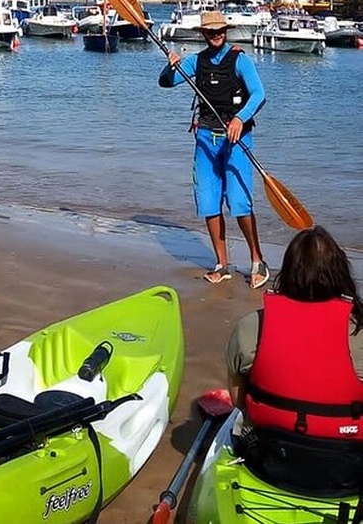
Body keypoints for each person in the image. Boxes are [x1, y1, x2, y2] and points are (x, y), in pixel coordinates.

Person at [226, 226, 363, 494]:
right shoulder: (359, 331)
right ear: (341, 274)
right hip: (349, 466)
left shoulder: (250, 327)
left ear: (287, 273)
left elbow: (238, 401)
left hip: (269, 458)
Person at [158, 11, 269, 289]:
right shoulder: (198, 60)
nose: (216, 34)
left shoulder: (240, 59)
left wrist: (240, 118)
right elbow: (166, 82)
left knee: (239, 202)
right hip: (206, 139)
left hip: (237, 140)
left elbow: (259, 94)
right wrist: (171, 66)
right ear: (203, 34)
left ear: (226, 31)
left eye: (220, 30)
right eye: (210, 31)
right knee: (208, 202)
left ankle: (258, 261)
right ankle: (222, 263)